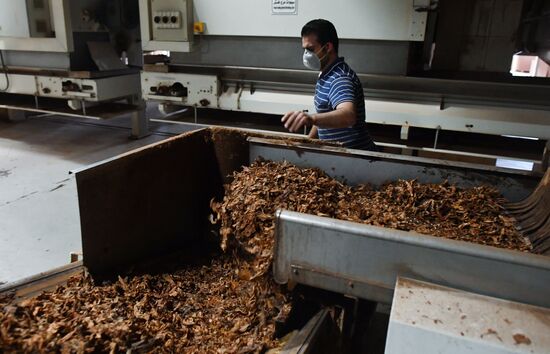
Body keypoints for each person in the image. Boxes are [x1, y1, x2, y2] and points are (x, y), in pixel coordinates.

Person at [281, 19, 376, 151]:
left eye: (310, 49)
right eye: (305, 50)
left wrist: (312, 118)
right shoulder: (326, 74)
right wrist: (309, 141)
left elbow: (348, 115)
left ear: (327, 47)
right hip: (340, 155)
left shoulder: (340, 78)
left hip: (356, 159)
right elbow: (324, 114)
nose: (306, 55)